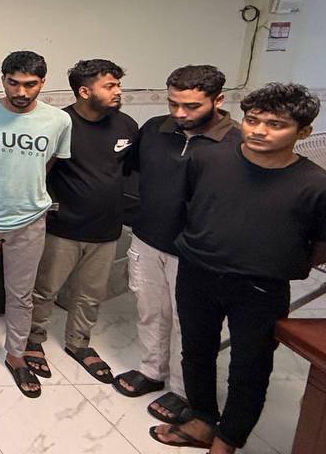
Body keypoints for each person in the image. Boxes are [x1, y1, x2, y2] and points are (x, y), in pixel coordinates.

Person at [149, 83, 326, 452]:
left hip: (260, 288)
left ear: (303, 132)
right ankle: (202, 420)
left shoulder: (320, 187)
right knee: (196, 352)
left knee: (250, 368)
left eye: (275, 124)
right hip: (197, 273)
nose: (259, 131)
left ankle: (227, 440)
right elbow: (191, 205)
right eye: (252, 120)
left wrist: (275, 259)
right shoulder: (208, 159)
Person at [113, 65, 241, 426]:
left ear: (218, 100)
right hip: (148, 237)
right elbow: (134, 174)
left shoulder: (237, 142)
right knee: (150, 310)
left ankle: (186, 391)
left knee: (190, 324)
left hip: (198, 252)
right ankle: (152, 371)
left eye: (192, 106)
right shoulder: (155, 129)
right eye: (173, 104)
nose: (180, 113)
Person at [0, 51, 72, 398]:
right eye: (13, 83)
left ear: (43, 83)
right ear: (2, 79)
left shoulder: (58, 121)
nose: (21, 92)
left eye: (30, 84)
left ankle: (16, 354)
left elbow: (48, 163)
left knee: (22, 293)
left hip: (30, 219)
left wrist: (25, 191)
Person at [25, 59, 137, 384]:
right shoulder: (60, 123)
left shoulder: (126, 125)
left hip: (106, 229)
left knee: (90, 295)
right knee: (44, 290)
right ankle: (33, 340)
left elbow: (128, 171)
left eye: (118, 84)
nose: (118, 91)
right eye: (110, 86)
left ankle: (79, 343)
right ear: (85, 92)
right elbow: (38, 171)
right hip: (62, 227)